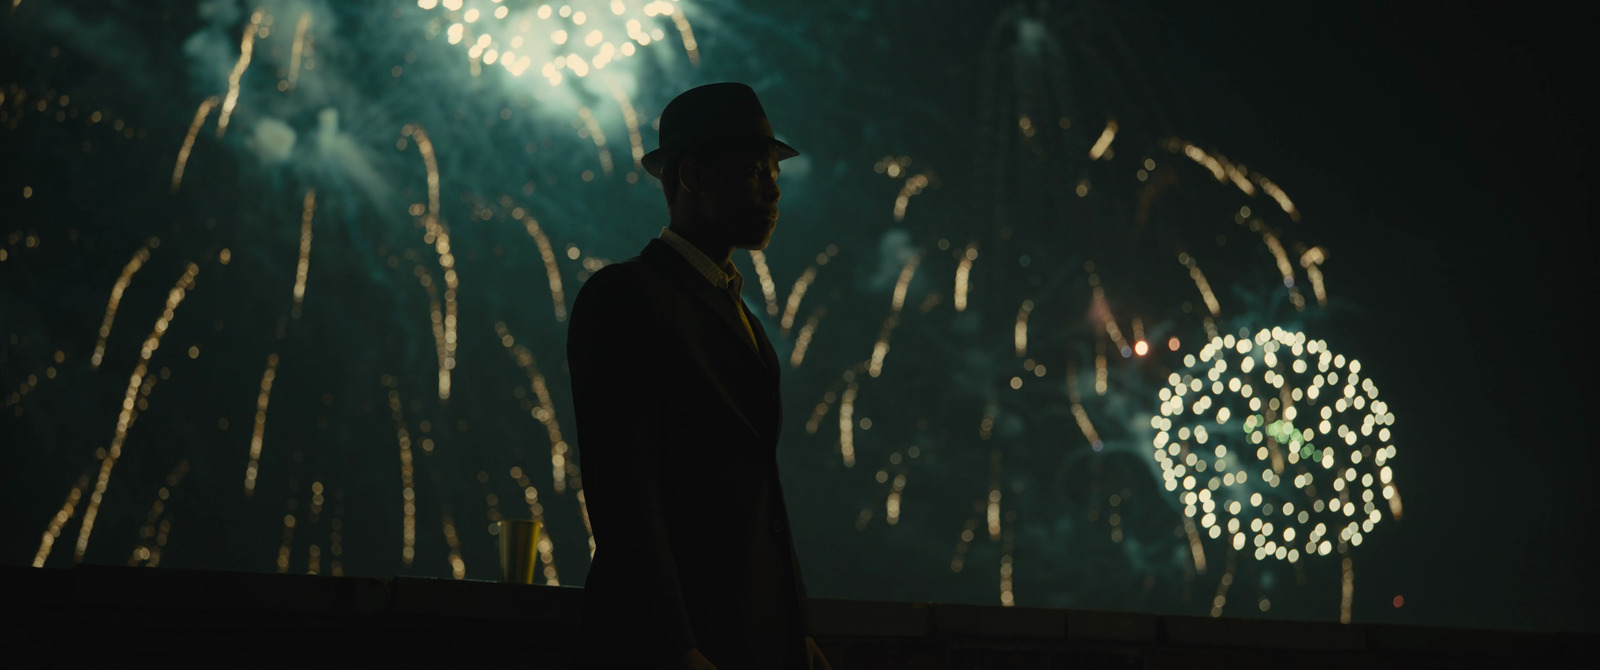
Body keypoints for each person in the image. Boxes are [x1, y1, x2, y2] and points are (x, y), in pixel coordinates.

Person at [567, 83, 832, 670]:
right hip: (675, 643)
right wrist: (672, 645)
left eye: (774, 173)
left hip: (750, 639)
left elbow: (762, 497)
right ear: (692, 178)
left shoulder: (741, 319)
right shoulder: (626, 297)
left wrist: (795, 630)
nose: (773, 190)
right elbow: (624, 489)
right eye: (752, 171)